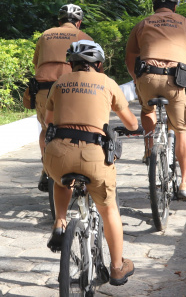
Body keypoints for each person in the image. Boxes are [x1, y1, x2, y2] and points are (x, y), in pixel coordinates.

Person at [44, 40, 139, 286]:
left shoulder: (59, 83)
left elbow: (48, 122)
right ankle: (117, 268)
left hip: (57, 154)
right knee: (109, 209)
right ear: (98, 64)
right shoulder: (107, 83)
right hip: (93, 156)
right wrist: (133, 128)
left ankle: (60, 221)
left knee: (60, 179)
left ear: (71, 64)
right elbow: (131, 123)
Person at [124, 0, 186, 201]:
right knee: (182, 130)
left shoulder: (143, 23)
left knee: (147, 108)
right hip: (176, 80)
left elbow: (130, 55)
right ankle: (185, 184)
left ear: (154, 5)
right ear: (175, 6)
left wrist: (136, 78)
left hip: (148, 78)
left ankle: (149, 148)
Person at [27, 4, 92, 193]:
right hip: (72, 90)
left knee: (46, 129)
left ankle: (46, 169)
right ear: (78, 23)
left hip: (44, 89)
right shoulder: (83, 37)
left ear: (59, 21)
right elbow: (95, 69)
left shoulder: (45, 35)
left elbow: (36, 63)